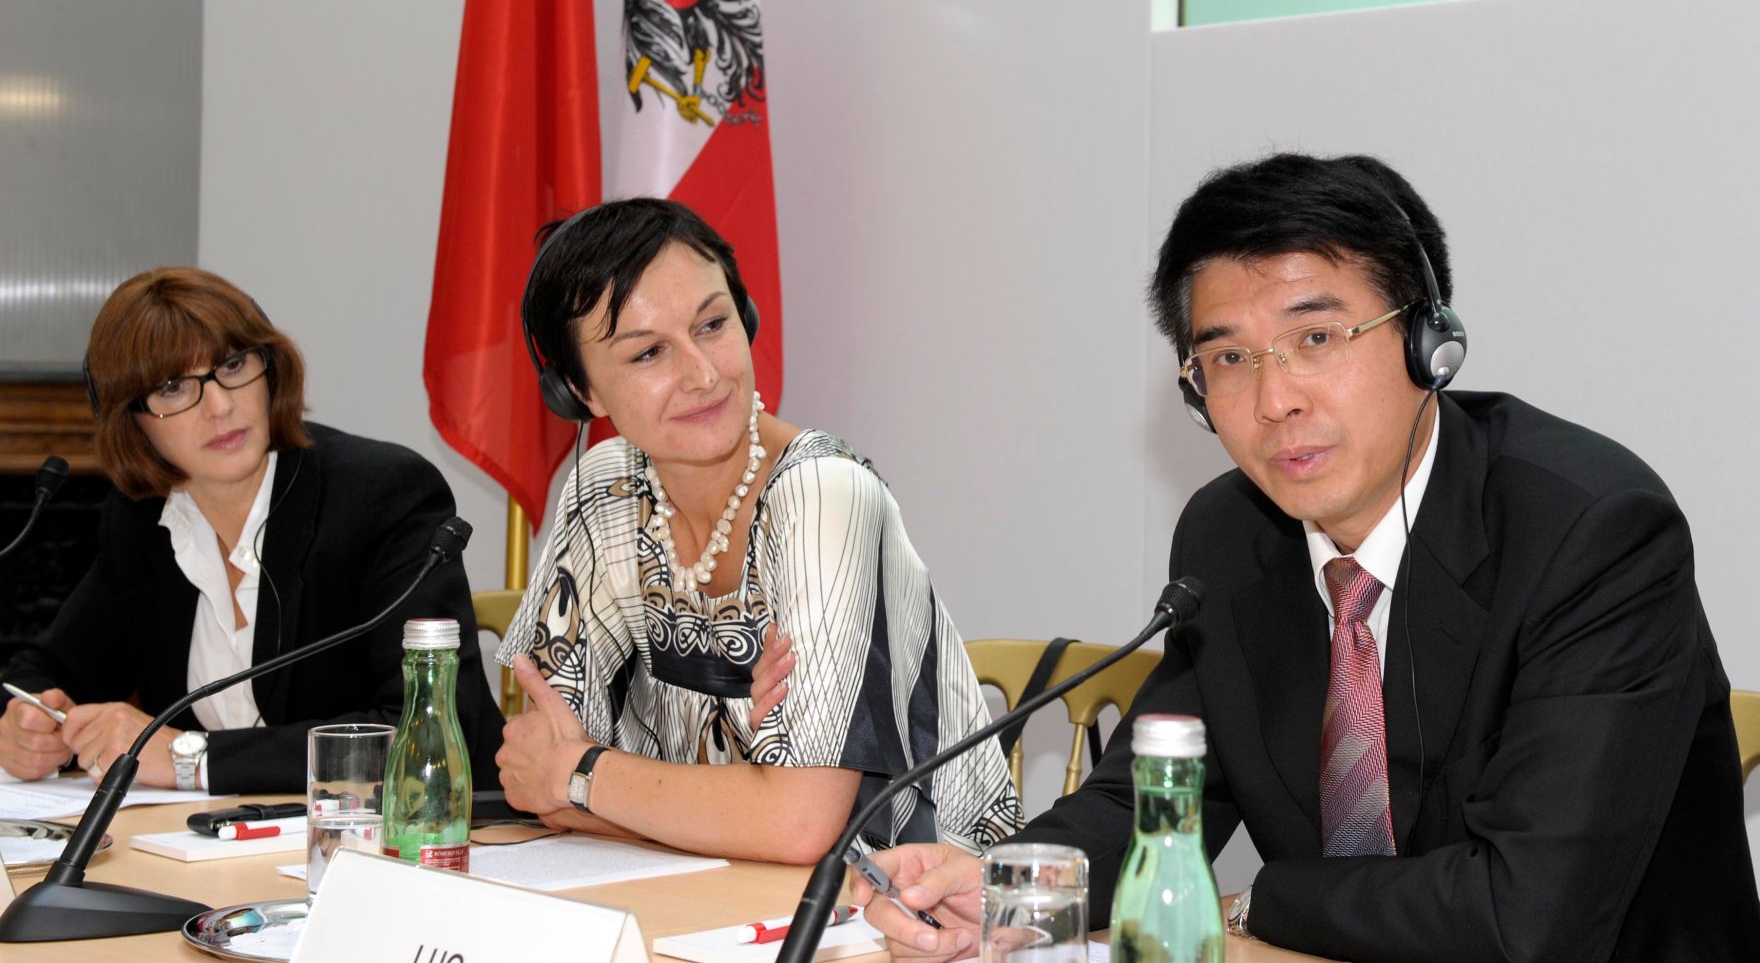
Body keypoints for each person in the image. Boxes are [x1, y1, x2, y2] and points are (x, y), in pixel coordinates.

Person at [769, 154, 1760, 962]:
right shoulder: (1228, 535)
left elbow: (1523, 917)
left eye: (1316, 336)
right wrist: (1007, 887)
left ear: (1427, 341)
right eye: (1228, 359)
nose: (1273, 397)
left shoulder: (1590, 534)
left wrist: (1250, 905)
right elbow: (1159, 794)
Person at [494, 197, 1022, 865]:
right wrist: (733, 799)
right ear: (580, 391)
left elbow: (800, 826)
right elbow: (535, 776)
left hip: (922, 910)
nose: (705, 373)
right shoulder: (605, 489)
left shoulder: (826, 496)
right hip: (707, 890)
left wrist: (588, 776)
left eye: (712, 324)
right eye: (650, 352)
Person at [0, 268, 503, 793]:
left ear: (271, 371)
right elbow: (44, 672)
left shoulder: (381, 495)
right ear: (133, 421)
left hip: (417, 845)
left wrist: (188, 758)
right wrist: (26, 725)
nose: (220, 407)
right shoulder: (143, 521)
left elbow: (430, 731)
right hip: (226, 849)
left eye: (233, 365)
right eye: (173, 387)